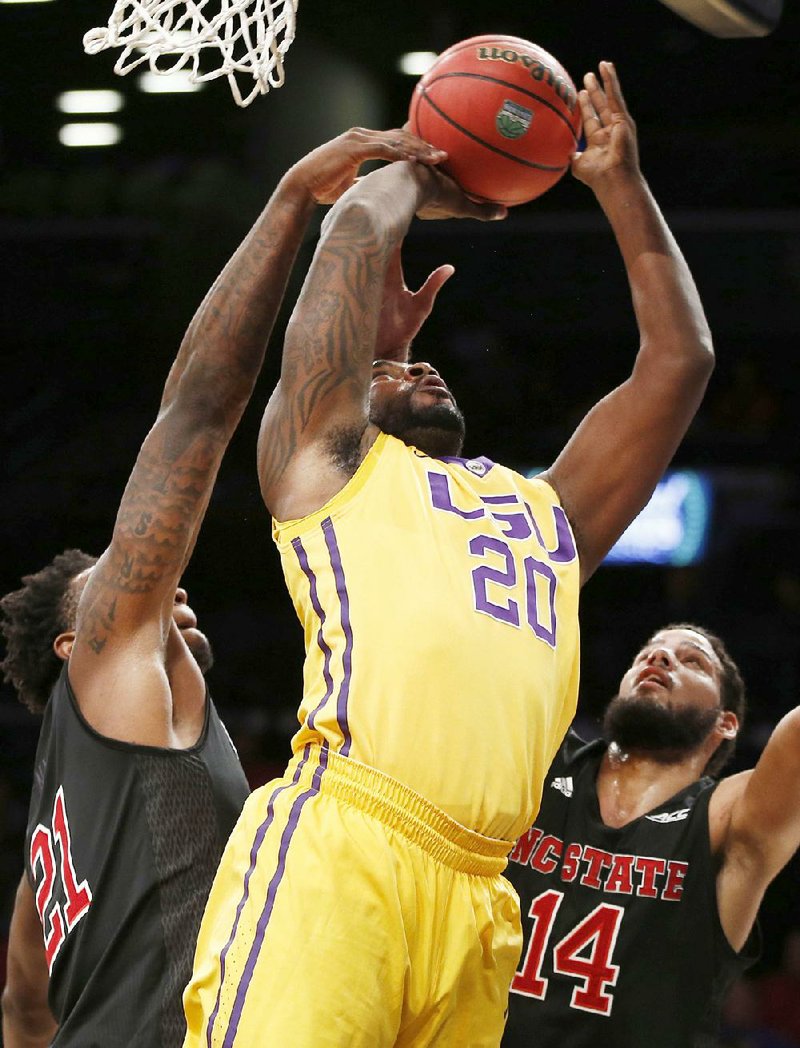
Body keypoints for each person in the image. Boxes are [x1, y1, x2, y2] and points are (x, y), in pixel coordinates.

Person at [183, 62, 716, 1047]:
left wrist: (621, 187)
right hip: (344, 846)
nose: (420, 362)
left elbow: (677, 364)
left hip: (480, 894)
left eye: (418, 359)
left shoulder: (543, 513)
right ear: (352, 401)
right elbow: (341, 256)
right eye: (386, 368)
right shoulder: (328, 467)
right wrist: (410, 171)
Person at [0, 128, 445, 1048]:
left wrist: (366, 370)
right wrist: (291, 203)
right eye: (116, 581)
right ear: (70, 644)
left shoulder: (60, 819)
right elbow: (197, 410)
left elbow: (23, 1006)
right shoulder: (113, 673)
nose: (160, 590)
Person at [501, 621, 800, 1047]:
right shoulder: (543, 762)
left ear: (726, 723)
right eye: (650, 650)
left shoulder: (724, 820)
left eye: (692, 660)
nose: (658, 657)